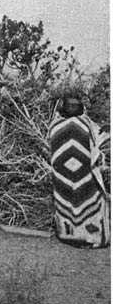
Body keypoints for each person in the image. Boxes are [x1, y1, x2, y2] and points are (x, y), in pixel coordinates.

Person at [48, 94, 110, 248]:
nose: (73, 108)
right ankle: (91, 236)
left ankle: (70, 235)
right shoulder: (84, 123)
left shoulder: (56, 125)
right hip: (81, 175)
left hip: (66, 176)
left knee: (71, 203)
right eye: (71, 105)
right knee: (90, 203)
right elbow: (98, 140)